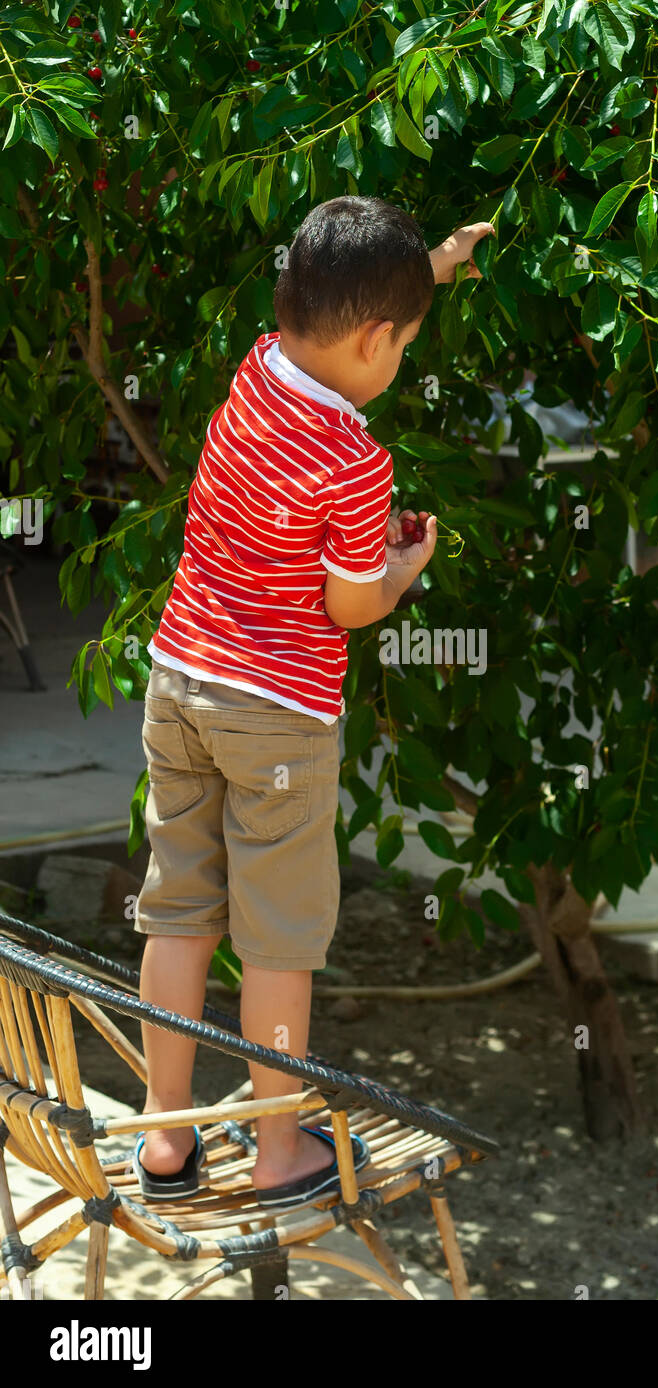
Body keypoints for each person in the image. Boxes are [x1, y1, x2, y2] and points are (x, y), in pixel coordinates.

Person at [131, 197, 494, 1207]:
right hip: (275, 717)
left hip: (180, 679)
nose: (401, 360)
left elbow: (348, 300)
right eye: (404, 342)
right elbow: (350, 605)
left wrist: (437, 267)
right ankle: (280, 1150)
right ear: (374, 338)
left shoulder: (258, 367)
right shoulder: (353, 461)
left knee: (179, 913)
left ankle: (164, 1141)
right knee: (278, 938)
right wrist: (405, 564)